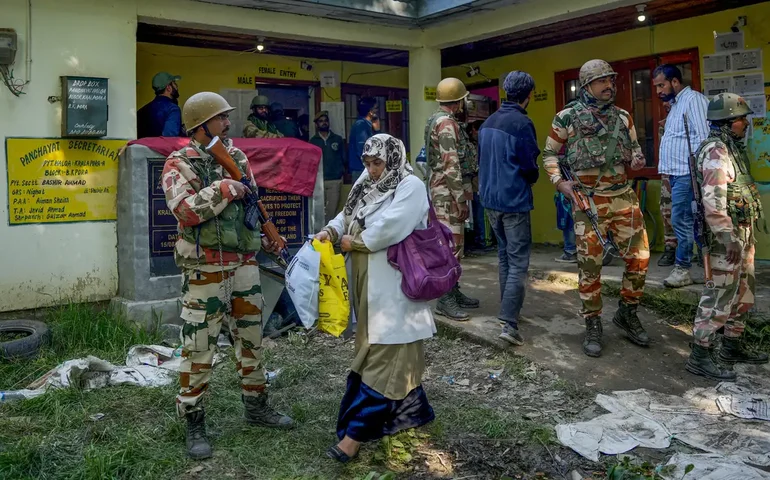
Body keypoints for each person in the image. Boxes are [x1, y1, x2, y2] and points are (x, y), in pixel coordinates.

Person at [162, 91, 294, 460]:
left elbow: (253, 198)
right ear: (201, 125)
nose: (227, 123)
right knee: (199, 348)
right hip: (205, 268)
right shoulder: (178, 164)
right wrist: (221, 189)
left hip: (243, 265)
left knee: (251, 339)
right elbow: (185, 211)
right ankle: (193, 419)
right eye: (220, 118)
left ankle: (256, 406)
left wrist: (268, 233)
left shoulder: (235, 156)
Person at [315, 134, 436, 463]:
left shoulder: (410, 186)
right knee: (377, 347)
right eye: (367, 163)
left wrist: (355, 242)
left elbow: (391, 227)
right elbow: (348, 213)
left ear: (393, 158)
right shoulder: (367, 181)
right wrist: (332, 231)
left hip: (394, 284)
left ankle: (353, 439)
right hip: (366, 280)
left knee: (388, 353)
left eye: (377, 163)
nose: (372, 170)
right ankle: (413, 412)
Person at [542, 59, 650, 358]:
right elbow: (550, 153)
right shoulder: (566, 118)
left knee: (639, 258)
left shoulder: (623, 117)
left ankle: (627, 313)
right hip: (588, 200)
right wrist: (558, 182)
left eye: (611, 81)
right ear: (587, 85)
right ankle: (592, 321)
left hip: (623, 197)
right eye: (602, 81)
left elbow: (635, 151)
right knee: (590, 266)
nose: (609, 86)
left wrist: (637, 160)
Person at [685, 93, 768, 381]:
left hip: (741, 234)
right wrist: (727, 235)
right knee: (719, 295)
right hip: (726, 239)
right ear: (728, 122)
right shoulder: (716, 151)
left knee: (743, 291)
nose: (746, 124)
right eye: (741, 119)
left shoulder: (733, 148)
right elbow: (713, 200)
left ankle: (731, 346)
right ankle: (700, 354)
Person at [478, 71, 539, 345]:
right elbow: (529, 166)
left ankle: (507, 312)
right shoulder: (522, 123)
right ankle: (510, 324)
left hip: (490, 200)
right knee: (518, 262)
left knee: (504, 257)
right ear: (529, 95)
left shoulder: (488, 122)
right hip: (513, 199)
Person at [424, 77, 480, 321]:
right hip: (448, 193)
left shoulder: (438, 120)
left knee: (455, 245)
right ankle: (445, 299)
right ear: (458, 102)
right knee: (450, 247)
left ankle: (453, 290)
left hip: (445, 191)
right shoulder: (447, 124)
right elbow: (451, 164)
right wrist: (460, 198)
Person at [654, 64, 710, 288]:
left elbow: (705, 138)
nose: (658, 91)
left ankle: (683, 268)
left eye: (661, 85)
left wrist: (699, 173)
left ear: (675, 82)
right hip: (676, 173)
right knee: (689, 221)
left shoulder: (693, 100)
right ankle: (703, 267)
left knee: (682, 220)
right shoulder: (676, 105)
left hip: (688, 172)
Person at [309, 111, 347, 222]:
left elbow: (344, 158)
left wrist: (341, 173)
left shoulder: (337, 139)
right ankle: (319, 234)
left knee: (332, 211)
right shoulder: (313, 141)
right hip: (319, 181)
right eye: (321, 121)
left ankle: (329, 235)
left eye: (326, 121)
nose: (324, 123)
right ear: (316, 124)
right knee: (318, 210)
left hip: (335, 180)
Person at [657, 101, 678, 266]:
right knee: (667, 210)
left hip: (690, 172)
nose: (667, 106)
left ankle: (700, 251)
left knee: (696, 211)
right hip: (668, 173)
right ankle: (671, 247)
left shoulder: (693, 122)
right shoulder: (663, 126)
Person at [137, 72, 185, 138]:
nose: (177, 86)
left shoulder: (142, 111)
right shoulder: (173, 109)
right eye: (174, 83)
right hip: (162, 148)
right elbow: (170, 139)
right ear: (168, 88)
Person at [348, 97, 378, 182]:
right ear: (370, 112)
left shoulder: (366, 125)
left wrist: (377, 130)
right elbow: (363, 149)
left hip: (365, 168)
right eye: (376, 108)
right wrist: (371, 166)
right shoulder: (361, 125)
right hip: (361, 169)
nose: (377, 111)